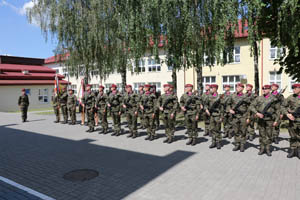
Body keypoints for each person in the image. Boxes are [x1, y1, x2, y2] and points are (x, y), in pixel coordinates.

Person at [250, 85, 280, 156]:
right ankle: (262, 148)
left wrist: (276, 120)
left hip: (270, 119)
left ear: (269, 90)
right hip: (261, 120)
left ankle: (268, 148)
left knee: (269, 135)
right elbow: (251, 106)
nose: (264, 90)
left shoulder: (274, 98)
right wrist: (257, 113)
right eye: (263, 89)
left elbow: (278, 110)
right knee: (262, 134)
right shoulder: (259, 98)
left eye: (266, 89)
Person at [227, 83, 250, 152]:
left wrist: (248, 117)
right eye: (236, 87)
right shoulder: (232, 96)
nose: (237, 88)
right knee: (236, 130)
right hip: (235, 116)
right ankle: (237, 144)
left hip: (243, 116)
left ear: (242, 88)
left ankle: (242, 145)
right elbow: (228, 104)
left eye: (239, 87)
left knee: (243, 131)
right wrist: (230, 110)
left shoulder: (246, 97)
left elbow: (249, 107)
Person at [282, 83, 300, 158]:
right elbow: (283, 106)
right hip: (293, 120)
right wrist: (287, 114)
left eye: (295, 88)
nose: (293, 90)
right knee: (293, 136)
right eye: (293, 88)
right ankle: (293, 150)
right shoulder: (291, 97)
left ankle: (299, 151)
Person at [204, 84, 224, 149]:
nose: (211, 89)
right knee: (212, 129)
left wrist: (221, 116)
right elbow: (205, 104)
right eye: (211, 88)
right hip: (211, 115)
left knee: (217, 129)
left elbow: (222, 107)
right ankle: (213, 142)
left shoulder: (220, 97)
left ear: (216, 89)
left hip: (218, 115)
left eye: (212, 88)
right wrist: (206, 109)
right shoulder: (208, 96)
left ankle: (218, 142)